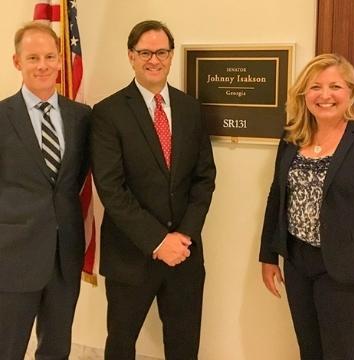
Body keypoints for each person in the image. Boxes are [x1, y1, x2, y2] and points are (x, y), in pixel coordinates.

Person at [90, 20, 216, 360]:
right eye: (145, 52)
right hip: (131, 254)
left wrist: (183, 236)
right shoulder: (107, 113)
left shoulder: (191, 108)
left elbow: (205, 178)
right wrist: (159, 241)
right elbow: (111, 189)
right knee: (120, 345)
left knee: (184, 346)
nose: (153, 59)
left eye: (161, 52)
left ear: (171, 56)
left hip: (186, 255)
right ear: (131, 56)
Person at [259, 53, 354, 360]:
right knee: (309, 350)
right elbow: (277, 195)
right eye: (316, 87)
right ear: (304, 94)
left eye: (335, 86)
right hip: (299, 261)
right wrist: (268, 255)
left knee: (341, 352)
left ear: (351, 92)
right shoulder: (291, 135)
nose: (325, 95)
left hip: (347, 265)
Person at [0, 22, 91, 359]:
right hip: (12, 256)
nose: (42, 65)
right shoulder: (1, 116)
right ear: (16, 61)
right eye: (33, 57)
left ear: (59, 61)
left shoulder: (82, 117)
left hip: (64, 255)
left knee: (56, 349)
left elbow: (74, 179)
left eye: (50, 56)